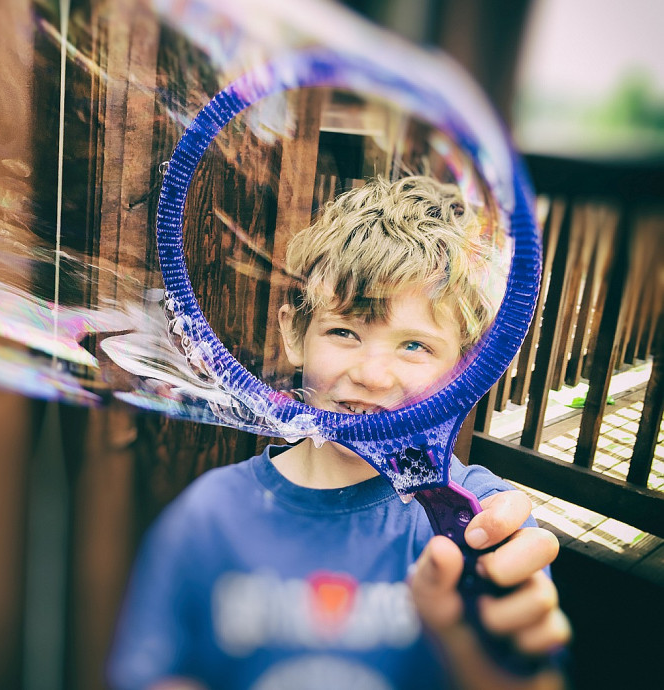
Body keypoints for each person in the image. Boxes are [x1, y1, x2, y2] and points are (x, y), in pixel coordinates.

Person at [107, 176, 571, 690]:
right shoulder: (210, 513)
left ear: (464, 368)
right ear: (293, 332)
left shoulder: (482, 524)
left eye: (415, 345)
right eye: (345, 332)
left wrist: (476, 640)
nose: (373, 376)